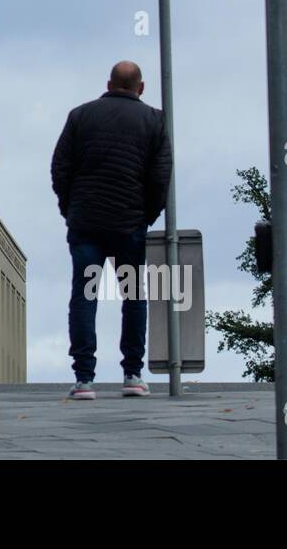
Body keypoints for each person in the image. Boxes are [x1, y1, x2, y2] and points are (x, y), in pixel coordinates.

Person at [51, 60, 172, 400]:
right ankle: (133, 374)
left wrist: (70, 209)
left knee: (85, 295)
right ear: (141, 88)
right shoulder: (155, 120)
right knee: (133, 297)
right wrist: (145, 216)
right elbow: (160, 176)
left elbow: (60, 167)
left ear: (108, 84)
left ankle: (84, 379)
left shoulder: (80, 116)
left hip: (86, 224)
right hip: (129, 225)